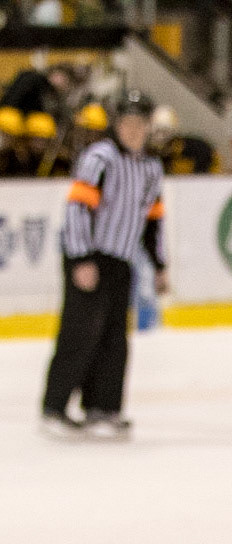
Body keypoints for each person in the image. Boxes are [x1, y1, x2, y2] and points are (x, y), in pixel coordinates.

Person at [41, 90, 167, 439]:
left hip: (121, 260)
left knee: (114, 337)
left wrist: (159, 265)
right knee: (80, 331)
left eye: (140, 124)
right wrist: (81, 257)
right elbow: (78, 208)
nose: (133, 131)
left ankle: (104, 407)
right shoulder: (100, 158)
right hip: (89, 257)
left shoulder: (150, 168)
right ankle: (55, 407)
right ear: (117, 124)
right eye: (127, 123)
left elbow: (153, 220)